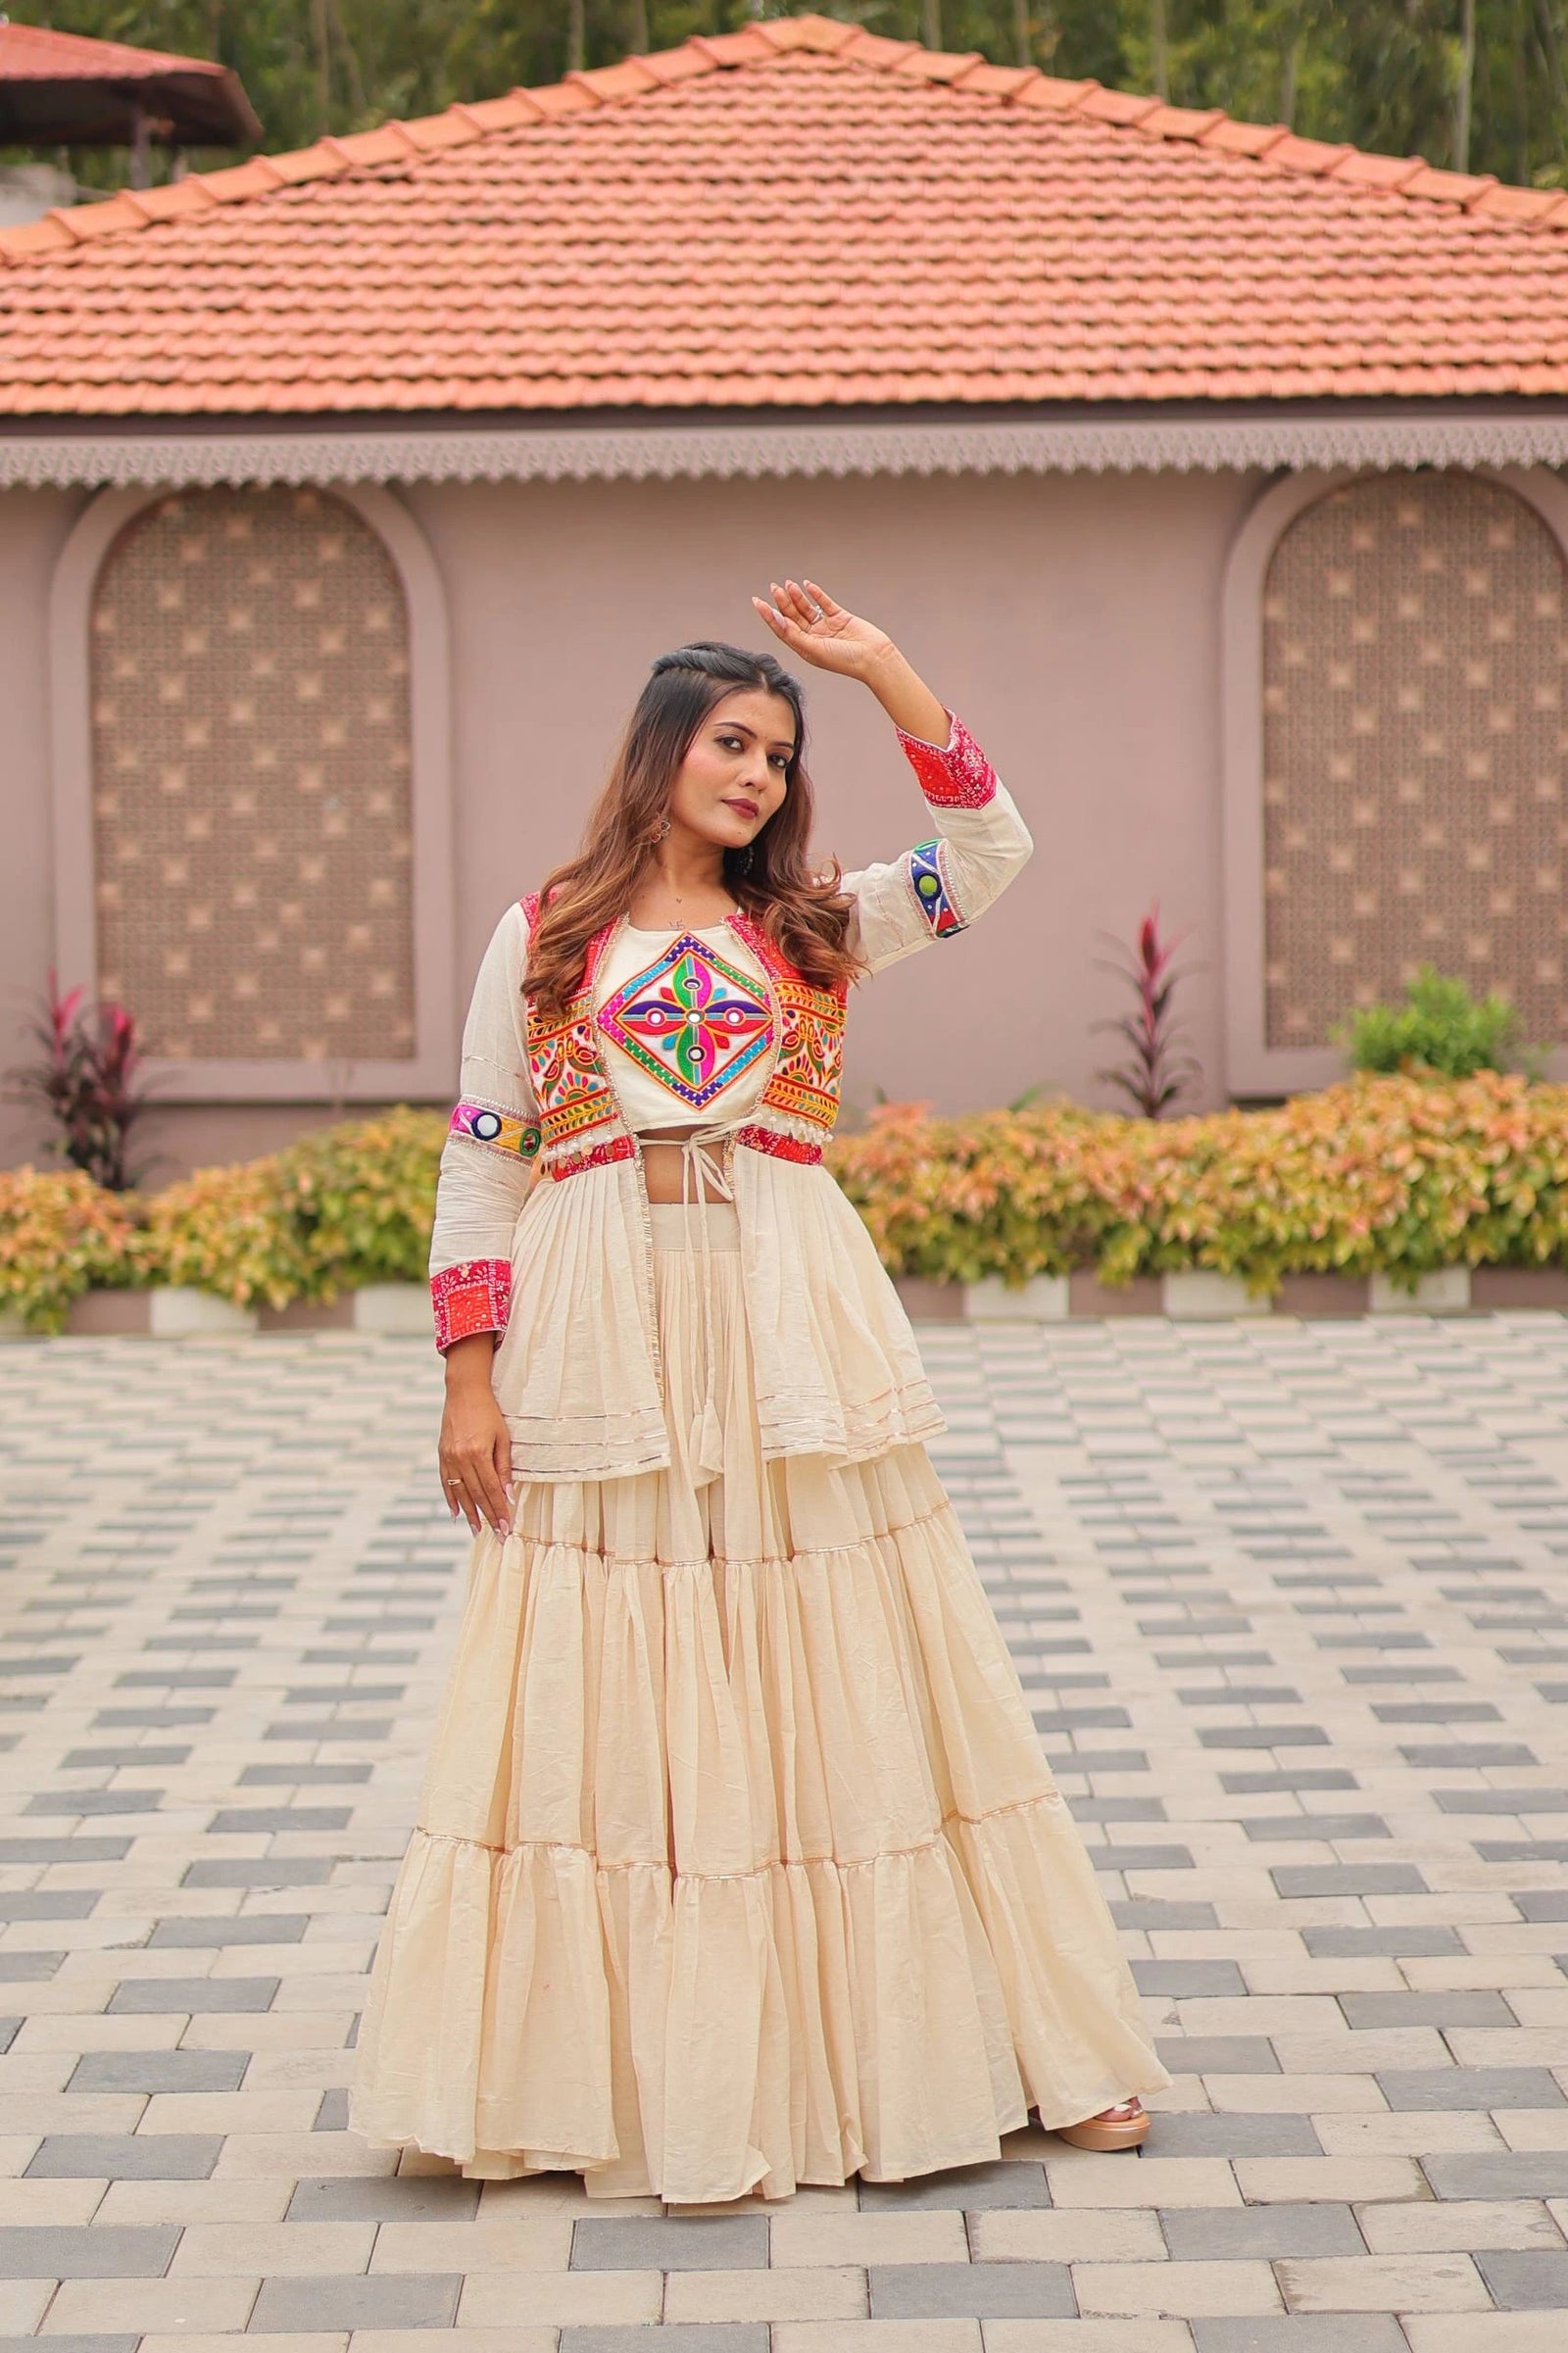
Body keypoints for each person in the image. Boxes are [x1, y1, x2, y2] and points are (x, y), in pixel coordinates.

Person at [350, 580, 1168, 2202]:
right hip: (600, 1320)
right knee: (619, 1680)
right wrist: (467, 1379)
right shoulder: (549, 934)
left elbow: (993, 849)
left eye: (782, 757)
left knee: (856, 1657)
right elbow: (483, 1156)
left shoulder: (813, 925)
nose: (760, 777)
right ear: (663, 749)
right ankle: (620, 2071)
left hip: (787, 1308)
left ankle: (1002, 2039)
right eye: (734, 742)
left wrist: (884, 675)